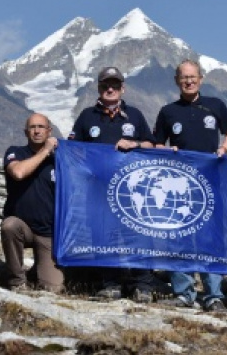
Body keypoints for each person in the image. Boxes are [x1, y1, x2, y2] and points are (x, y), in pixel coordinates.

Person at [154, 59, 227, 312]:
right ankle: (183, 293)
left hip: (209, 183)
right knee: (178, 236)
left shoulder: (215, 105)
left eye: (193, 77)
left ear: (201, 79)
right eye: (183, 78)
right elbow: (156, 144)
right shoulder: (168, 111)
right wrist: (169, 151)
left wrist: (223, 148)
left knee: (210, 238)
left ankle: (214, 296)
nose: (188, 81)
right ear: (177, 81)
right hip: (177, 185)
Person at [68, 66, 156, 302]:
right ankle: (110, 284)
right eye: (106, 85)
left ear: (122, 88)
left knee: (138, 234)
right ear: (98, 88)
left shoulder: (135, 115)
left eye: (115, 85)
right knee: (103, 234)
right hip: (98, 190)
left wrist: (135, 144)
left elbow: (152, 146)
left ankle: (143, 285)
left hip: (132, 190)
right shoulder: (87, 116)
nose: (110, 89)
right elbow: (73, 150)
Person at [1, 113, 63, 293]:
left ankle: (38, 269)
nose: (37, 131)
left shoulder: (59, 160)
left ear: (49, 131)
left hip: (48, 232)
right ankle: (17, 281)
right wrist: (45, 151)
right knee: (9, 226)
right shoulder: (15, 152)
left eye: (41, 127)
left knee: (53, 288)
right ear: (26, 132)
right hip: (23, 227)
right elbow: (18, 173)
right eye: (32, 127)